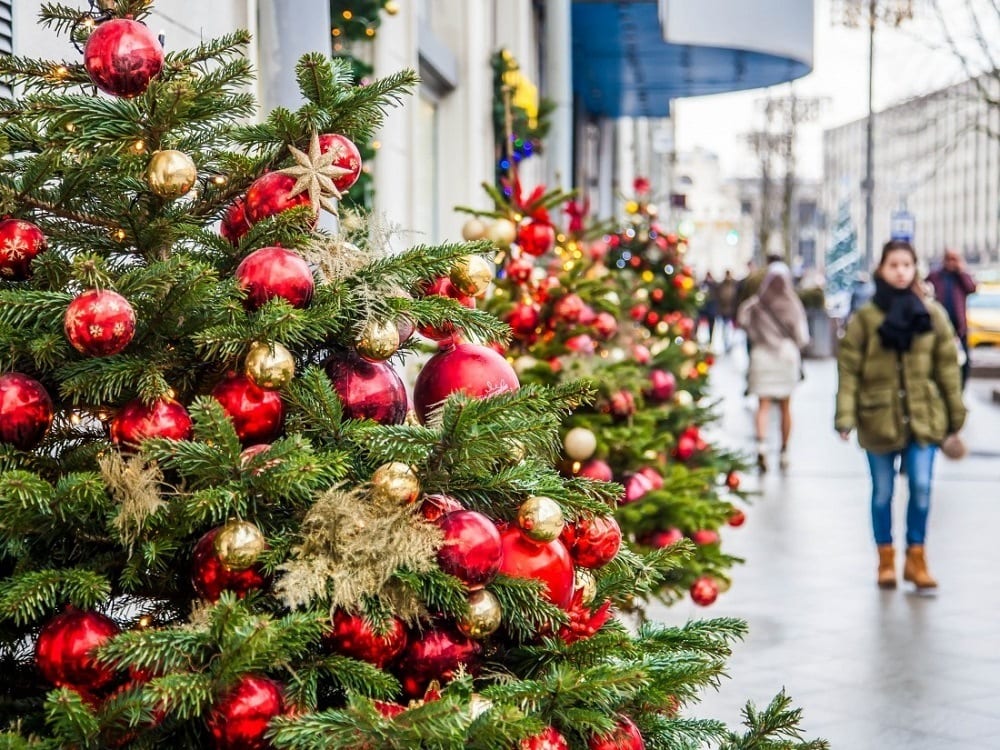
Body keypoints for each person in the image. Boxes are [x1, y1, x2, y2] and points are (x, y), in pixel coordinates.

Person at [835, 240, 966, 590]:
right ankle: (886, 560)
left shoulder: (932, 315)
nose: (900, 271)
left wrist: (956, 415)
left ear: (915, 269)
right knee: (882, 492)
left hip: (924, 415)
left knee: (921, 487)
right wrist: (845, 416)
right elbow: (849, 369)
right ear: (881, 269)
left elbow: (948, 369)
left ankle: (917, 558)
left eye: (906, 265)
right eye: (893, 265)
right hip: (877, 416)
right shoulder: (866, 318)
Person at [736, 262, 809, 473]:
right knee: (786, 406)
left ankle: (761, 446)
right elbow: (802, 337)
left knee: (763, 405)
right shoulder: (792, 304)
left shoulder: (756, 303)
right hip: (785, 358)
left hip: (761, 356)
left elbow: (742, 320)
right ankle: (784, 450)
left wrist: (758, 336)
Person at [926, 248, 977, 388]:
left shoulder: (961, 277)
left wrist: (961, 270)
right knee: (938, 359)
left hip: (959, 327)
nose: (951, 262)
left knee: (964, 361)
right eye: (949, 258)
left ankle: (961, 389)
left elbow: (972, 288)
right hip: (938, 326)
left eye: (954, 259)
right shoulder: (936, 276)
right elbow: (925, 288)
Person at [716, 269, 739, 352]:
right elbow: (718, 298)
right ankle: (726, 343)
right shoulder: (721, 285)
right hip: (723, 310)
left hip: (732, 310)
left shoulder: (735, 284)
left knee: (732, 328)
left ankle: (731, 343)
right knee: (725, 328)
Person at [698, 272, 719, 346]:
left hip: (711, 309)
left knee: (711, 326)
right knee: (700, 325)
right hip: (704, 309)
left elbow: (717, 297)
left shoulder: (715, 285)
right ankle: (699, 339)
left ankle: (710, 340)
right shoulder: (703, 284)